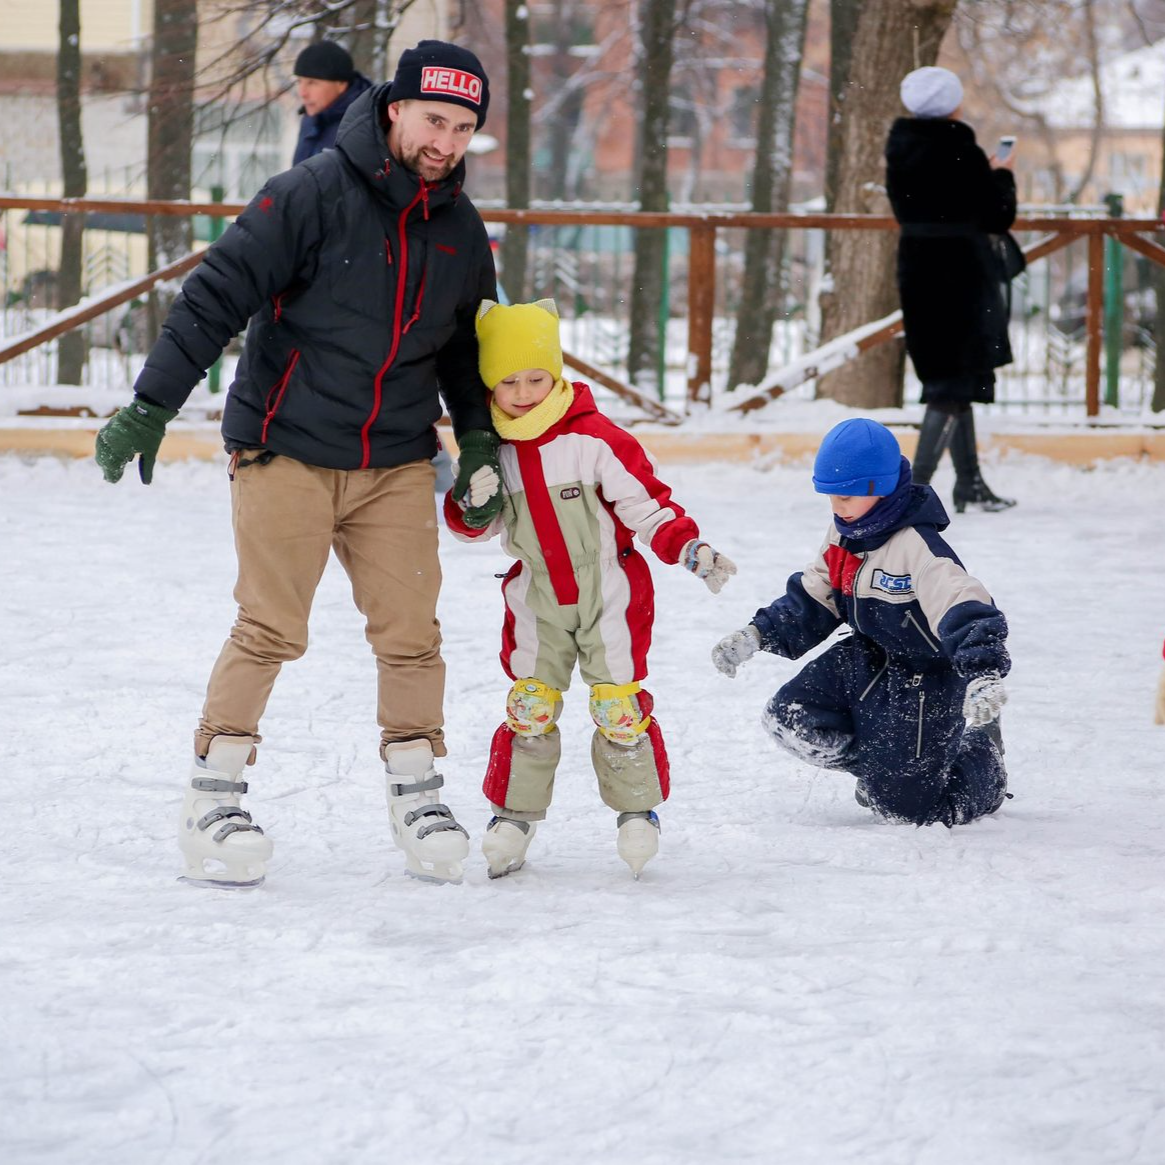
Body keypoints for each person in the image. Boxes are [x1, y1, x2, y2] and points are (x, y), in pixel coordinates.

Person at [94, 40, 505, 889]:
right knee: (270, 626)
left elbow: (469, 351)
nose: (448, 143)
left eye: (464, 128)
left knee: (412, 635)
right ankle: (213, 795)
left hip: (394, 457)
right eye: (436, 121)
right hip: (284, 446)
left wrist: (480, 444)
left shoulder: (460, 229)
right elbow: (215, 296)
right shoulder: (308, 193)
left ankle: (417, 789)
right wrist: (151, 403)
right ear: (393, 108)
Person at [444, 299, 738, 878]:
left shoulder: (594, 439)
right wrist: (471, 504)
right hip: (536, 599)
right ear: (489, 384)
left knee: (618, 706)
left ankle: (637, 813)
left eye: (538, 378)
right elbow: (477, 527)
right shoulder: (492, 450)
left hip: (609, 592)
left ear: (555, 375)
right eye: (510, 381)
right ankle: (514, 817)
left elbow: (646, 506)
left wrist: (689, 548)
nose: (525, 391)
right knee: (530, 706)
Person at [712, 418, 1010, 828]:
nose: (837, 507)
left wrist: (983, 672)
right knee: (790, 718)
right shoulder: (844, 534)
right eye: (830, 496)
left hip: (925, 681)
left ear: (880, 489)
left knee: (907, 812)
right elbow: (816, 595)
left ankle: (981, 760)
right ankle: (886, 772)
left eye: (847, 496)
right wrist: (758, 633)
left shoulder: (919, 548)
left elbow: (964, 604)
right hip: (866, 658)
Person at [886, 65, 1019, 514]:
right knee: (951, 384)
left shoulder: (900, 147)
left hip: (919, 269)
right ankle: (912, 493)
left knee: (951, 377)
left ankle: (970, 483)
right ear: (952, 104)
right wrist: (1002, 174)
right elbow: (997, 214)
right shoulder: (960, 149)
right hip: (960, 274)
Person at [292, 41, 373, 165]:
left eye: (312, 82)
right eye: (299, 81)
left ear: (340, 84)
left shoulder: (365, 125)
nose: (302, 93)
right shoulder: (310, 119)